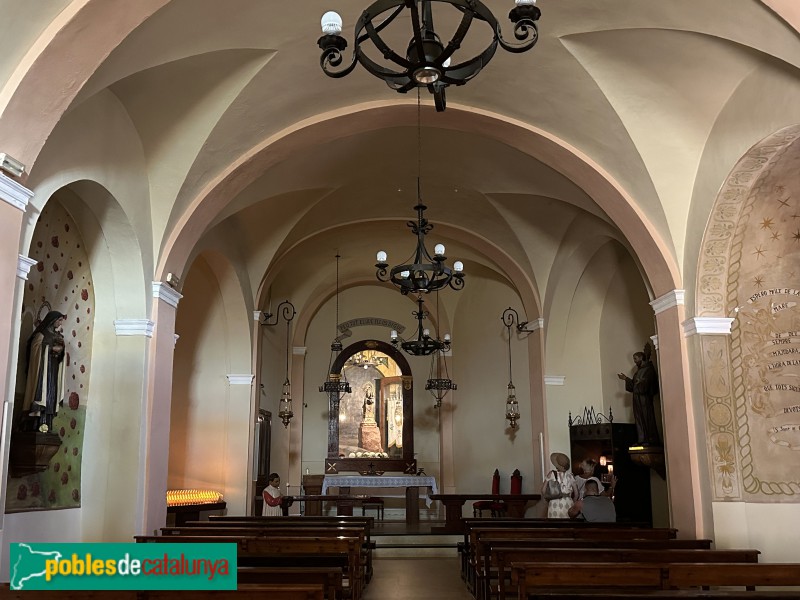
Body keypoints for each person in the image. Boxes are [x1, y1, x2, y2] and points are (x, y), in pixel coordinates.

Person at [21, 311, 67, 432]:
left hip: (53, 371)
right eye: (59, 320)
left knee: (51, 396)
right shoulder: (41, 335)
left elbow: (59, 356)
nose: (61, 323)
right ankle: (37, 424)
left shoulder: (58, 337)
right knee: (42, 394)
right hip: (42, 371)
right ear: (53, 320)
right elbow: (34, 350)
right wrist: (49, 348)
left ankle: (48, 425)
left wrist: (61, 351)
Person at [618, 344, 661, 446]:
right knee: (639, 419)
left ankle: (650, 439)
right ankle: (642, 439)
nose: (634, 361)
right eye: (633, 359)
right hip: (637, 399)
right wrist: (626, 379)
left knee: (647, 418)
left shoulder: (649, 369)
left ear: (641, 358)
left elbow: (650, 384)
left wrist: (641, 383)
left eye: (636, 359)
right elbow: (633, 385)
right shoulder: (638, 372)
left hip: (645, 399)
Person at [542, 452, 577, 519]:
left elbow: (543, 490)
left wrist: (548, 499)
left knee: (555, 526)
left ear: (556, 464)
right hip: (568, 503)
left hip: (554, 503)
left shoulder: (551, 474)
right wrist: (572, 501)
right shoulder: (570, 476)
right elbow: (576, 494)